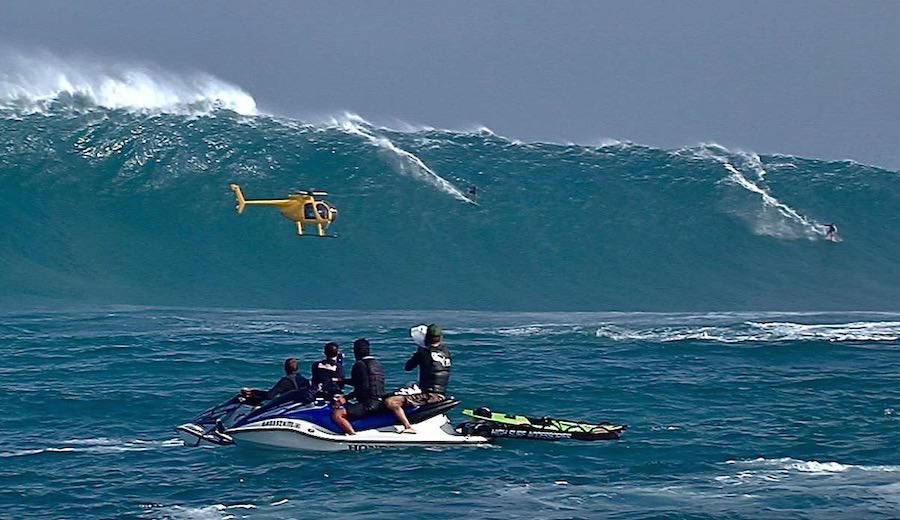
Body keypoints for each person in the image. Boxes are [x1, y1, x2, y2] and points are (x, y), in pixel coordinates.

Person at [383, 324, 452, 433]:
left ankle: (408, 427)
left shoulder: (423, 353)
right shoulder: (446, 352)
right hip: (440, 394)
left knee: (391, 401)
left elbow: (408, 367)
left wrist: (418, 353)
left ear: (427, 338)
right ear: (441, 337)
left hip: (429, 396)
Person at [331, 338, 386, 435]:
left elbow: (363, 387)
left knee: (337, 414)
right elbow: (366, 382)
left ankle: (353, 437)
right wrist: (342, 381)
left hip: (369, 404)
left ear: (356, 351)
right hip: (379, 401)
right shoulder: (377, 364)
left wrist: (345, 398)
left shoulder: (359, 365)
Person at [241, 357, 313, 405]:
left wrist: (253, 392)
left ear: (285, 368)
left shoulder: (285, 381)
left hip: (287, 404)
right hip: (299, 404)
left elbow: (270, 396)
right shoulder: (304, 380)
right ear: (297, 368)